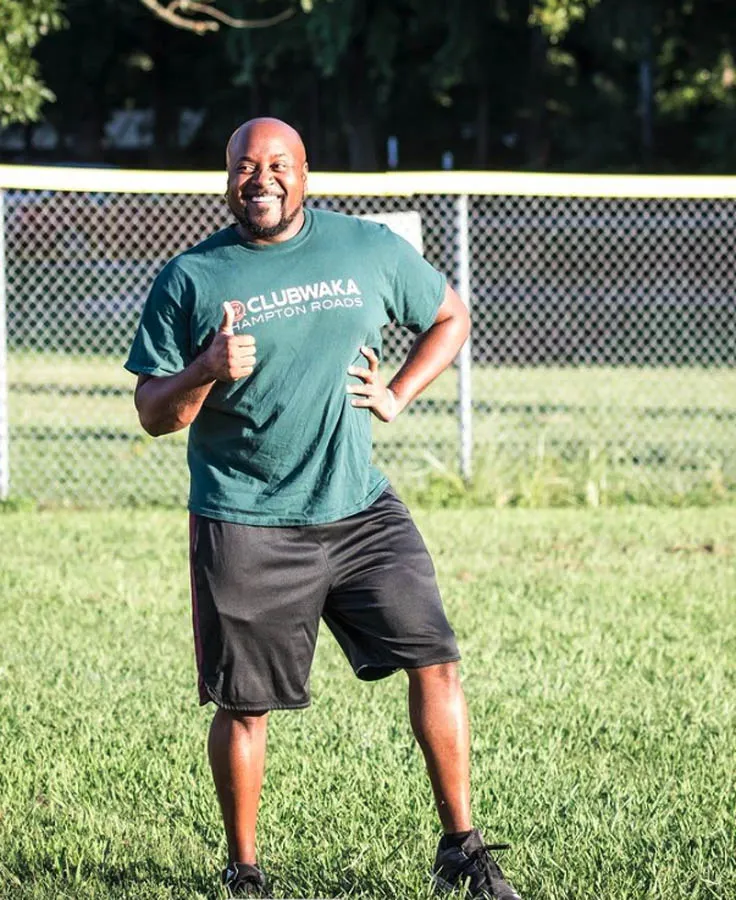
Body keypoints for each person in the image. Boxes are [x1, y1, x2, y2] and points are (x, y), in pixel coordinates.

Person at [125, 117, 521, 900]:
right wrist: (205, 368)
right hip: (244, 518)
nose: (260, 178)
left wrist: (399, 392)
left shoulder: (365, 248)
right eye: (245, 166)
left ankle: (462, 849)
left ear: (306, 173)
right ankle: (244, 873)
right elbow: (154, 413)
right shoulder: (190, 279)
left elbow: (451, 314)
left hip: (358, 506)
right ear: (227, 176)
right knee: (245, 707)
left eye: (277, 164)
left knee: (436, 658)